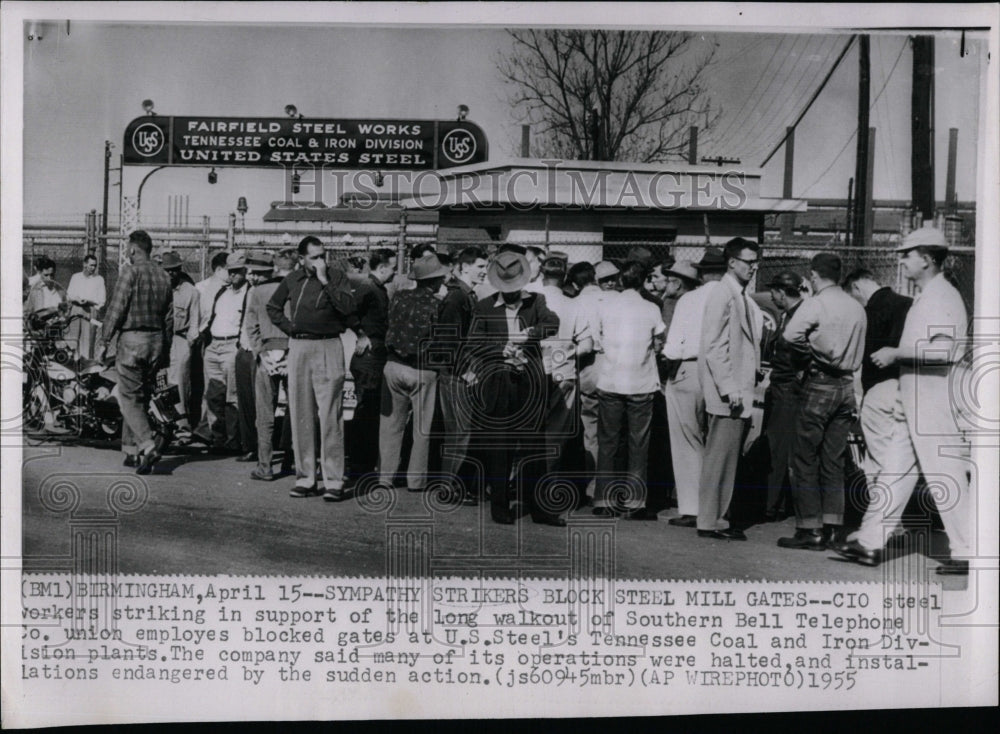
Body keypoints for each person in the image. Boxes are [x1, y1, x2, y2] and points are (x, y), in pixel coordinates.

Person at [834, 225, 973, 575]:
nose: (903, 260)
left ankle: (968, 550)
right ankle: (869, 542)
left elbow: (946, 350)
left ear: (927, 259)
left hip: (932, 398)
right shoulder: (930, 295)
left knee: (945, 472)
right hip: (913, 398)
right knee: (894, 473)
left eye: (908, 254)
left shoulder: (943, 297)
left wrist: (897, 353)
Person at [778, 253, 866, 551]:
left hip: (820, 381)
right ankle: (833, 527)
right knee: (834, 459)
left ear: (814, 275)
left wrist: (812, 351)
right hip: (847, 385)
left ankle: (809, 528)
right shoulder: (856, 307)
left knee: (804, 457)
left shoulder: (816, 303)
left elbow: (790, 335)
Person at [465, 250, 560, 525]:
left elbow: (552, 323)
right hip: (498, 383)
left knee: (534, 447)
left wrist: (529, 334)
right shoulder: (483, 307)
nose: (511, 293)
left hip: (529, 383)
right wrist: (500, 348)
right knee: (500, 447)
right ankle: (500, 506)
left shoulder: (537, 302)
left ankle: (539, 508)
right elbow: (473, 343)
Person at [267, 236, 358, 501]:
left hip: (329, 345)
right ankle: (306, 477)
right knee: (301, 414)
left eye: (323, 255)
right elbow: (273, 307)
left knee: (331, 415)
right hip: (300, 347)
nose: (321, 261)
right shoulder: (292, 280)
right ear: (302, 259)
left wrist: (326, 280)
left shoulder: (337, 277)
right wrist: (290, 329)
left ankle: (333, 480)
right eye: (315, 257)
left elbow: (348, 308)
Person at [696, 238, 764, 541]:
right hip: (729, 390)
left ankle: (715, 518)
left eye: (755, 262)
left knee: (726, 456)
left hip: (737, 387)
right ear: (732, 262)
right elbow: (713, 345)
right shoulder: (723, 294)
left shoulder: (736, 294)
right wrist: (729, 386)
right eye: (748, 262)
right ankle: (711, 520)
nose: (753, 267)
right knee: (720, 456)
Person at [592, 260, 666, 518]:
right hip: (641, 383)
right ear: (645, 280)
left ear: (621, 280)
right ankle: (635, 503)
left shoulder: (605, 306)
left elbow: (597, 339)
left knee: (608, 441)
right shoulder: (652, 308)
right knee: (638, 443)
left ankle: (603, 500)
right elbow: (658, 344)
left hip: (610, 380)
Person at [99, 230, 173, 474]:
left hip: (132, 341)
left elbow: (117, 308)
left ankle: (148, 445)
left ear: (132, 249)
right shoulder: (164, 276)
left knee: (128, 398)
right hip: (156, 340)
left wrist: (104, 341)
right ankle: (131, 452)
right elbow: (169, 318)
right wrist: (165, 350)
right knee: (140, 395)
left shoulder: (129, 272)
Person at [842, 268, 913, 514]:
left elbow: (860, 357)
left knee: (879, 458)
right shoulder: (908, 303)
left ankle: (888, 521)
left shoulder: (869, 312)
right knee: (895, 455)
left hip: (879, 390)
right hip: (907, 389)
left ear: (856, 289)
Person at [379, 252, 450, 494]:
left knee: (390, 426)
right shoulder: (437, 304)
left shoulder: (399, 297)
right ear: (435, 281)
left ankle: (385, 477)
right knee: (422, 429)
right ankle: (415, 481)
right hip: (422, 370)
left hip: (393, 365)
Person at [538, 256, 596, 521]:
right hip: (563, 371)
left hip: (531, 371)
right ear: (564, 279)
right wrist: (565, 351)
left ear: (541, 275)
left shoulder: (528, 298)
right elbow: (586, 344)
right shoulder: (573, 304)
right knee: (554, 436)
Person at [661, 258, 715, 527]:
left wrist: (667, 365)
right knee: (712, 441)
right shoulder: (735, 298)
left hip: (688, 369)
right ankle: (714, 505)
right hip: (718, 373)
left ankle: (693, 508)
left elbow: (674, 346)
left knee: (687, 440)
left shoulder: (687, 302)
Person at [435, 246, 488, 503]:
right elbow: (447, 341)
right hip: (458, 374)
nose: (484, 272)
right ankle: (450, 488)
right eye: (479, 267)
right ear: (465, 267)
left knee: (462, 431)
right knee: (459, 431)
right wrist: (465, 371)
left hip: (463, 371)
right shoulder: (457, 298)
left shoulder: (466, 295)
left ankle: (456, 485)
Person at [347, 248, 397, 481]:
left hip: (375, 356)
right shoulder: (368, 287)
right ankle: (358, 467)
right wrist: (361, 334)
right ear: (382, 267)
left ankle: (363, 464)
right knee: (365, 411)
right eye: (393, 268)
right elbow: (348, 311)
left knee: (370, 411)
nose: (395, 273)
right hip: (368, 358)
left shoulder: (377, 288)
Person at [761, 270, 807, 522]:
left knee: (779, 449)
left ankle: (772, 506)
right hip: (780, 387)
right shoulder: (789, 315)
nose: (771, 295)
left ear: (781, 291)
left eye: (773, 291)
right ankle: (775, 503)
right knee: (777, 447)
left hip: (788, 390)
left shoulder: (800, 316)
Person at [245, 251, 294, 481]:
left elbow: (251, 327)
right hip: (293, 353)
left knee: (265, 412)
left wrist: (261, 352)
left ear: (274, 267)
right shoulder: (298, 290)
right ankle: (290, 461)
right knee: (296, 410)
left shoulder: (258, 292)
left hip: (266, 353)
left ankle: (264, 465)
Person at [568, 261, 611, 505]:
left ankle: (593, 487)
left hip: (589, 365)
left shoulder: (576, 303)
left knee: (591, 430)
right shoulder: (612, 299)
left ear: (574, 284)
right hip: (615, 365)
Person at [201, 252, 250, 453]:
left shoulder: (249, 293)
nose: (233, 276)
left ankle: (233, 441)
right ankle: (217, 438)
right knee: (213, 395)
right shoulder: (222, 292)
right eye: (231, 271)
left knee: (232, 397)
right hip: (213, 346)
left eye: (238, 271)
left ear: (245, 271)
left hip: (232, 346)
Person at [232, 254, 273, 463]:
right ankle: (250, 447)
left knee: (262, 404)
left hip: (261, 351)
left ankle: (264, 448)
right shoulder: (249, 291)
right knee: (246, 402)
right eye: (252, 273)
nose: (254, 277)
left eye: (259, 274)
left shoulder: (271, 292)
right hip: (244, 349)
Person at [161, 252, 200, 440]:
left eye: (174, 270)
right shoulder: (157, 288)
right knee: (161, 382)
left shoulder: (190, 291)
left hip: (180, 339)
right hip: (160, 339)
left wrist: (189, 342)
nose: (171, 274)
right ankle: (161, 424)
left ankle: (182, 426)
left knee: (180, 384)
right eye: (167, 270)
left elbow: (195, 321)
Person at [191, 252, 231, 434]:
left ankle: (214, 428)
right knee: (209, 387)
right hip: (204, 341)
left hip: (222, 341)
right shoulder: (200, 289)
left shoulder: (231, 288)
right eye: (229, 270)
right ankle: (205, 427)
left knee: (221, 388)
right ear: (219, 269)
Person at [66, 253, 106, 360]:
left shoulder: (99, 279)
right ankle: (73, 364)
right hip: (76, 309)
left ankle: (86, 368)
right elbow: (69, 294)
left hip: (90, 310)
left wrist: (90, 302)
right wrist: (77, 299)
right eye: (91, 265)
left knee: (88, 341)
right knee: (73, 340)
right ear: (84, 264)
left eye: (95, 266)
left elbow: (102, 300)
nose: (93, 268)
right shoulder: (75, 277)